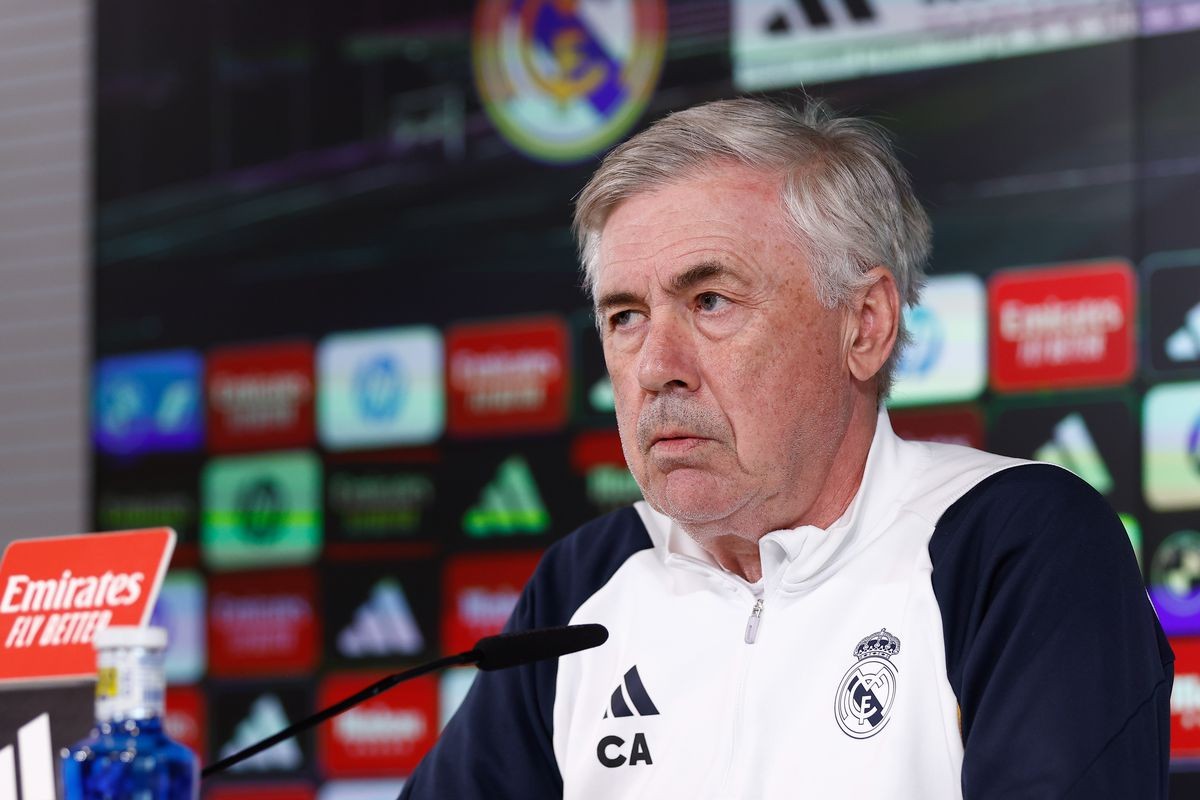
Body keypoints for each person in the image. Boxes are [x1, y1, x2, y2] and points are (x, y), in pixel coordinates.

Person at [399, 97, 1173, 799]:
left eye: (710, 300)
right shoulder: (586, 581)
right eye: (625, 316)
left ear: (864, 325)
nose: (656, 367)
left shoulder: (1012, 545)